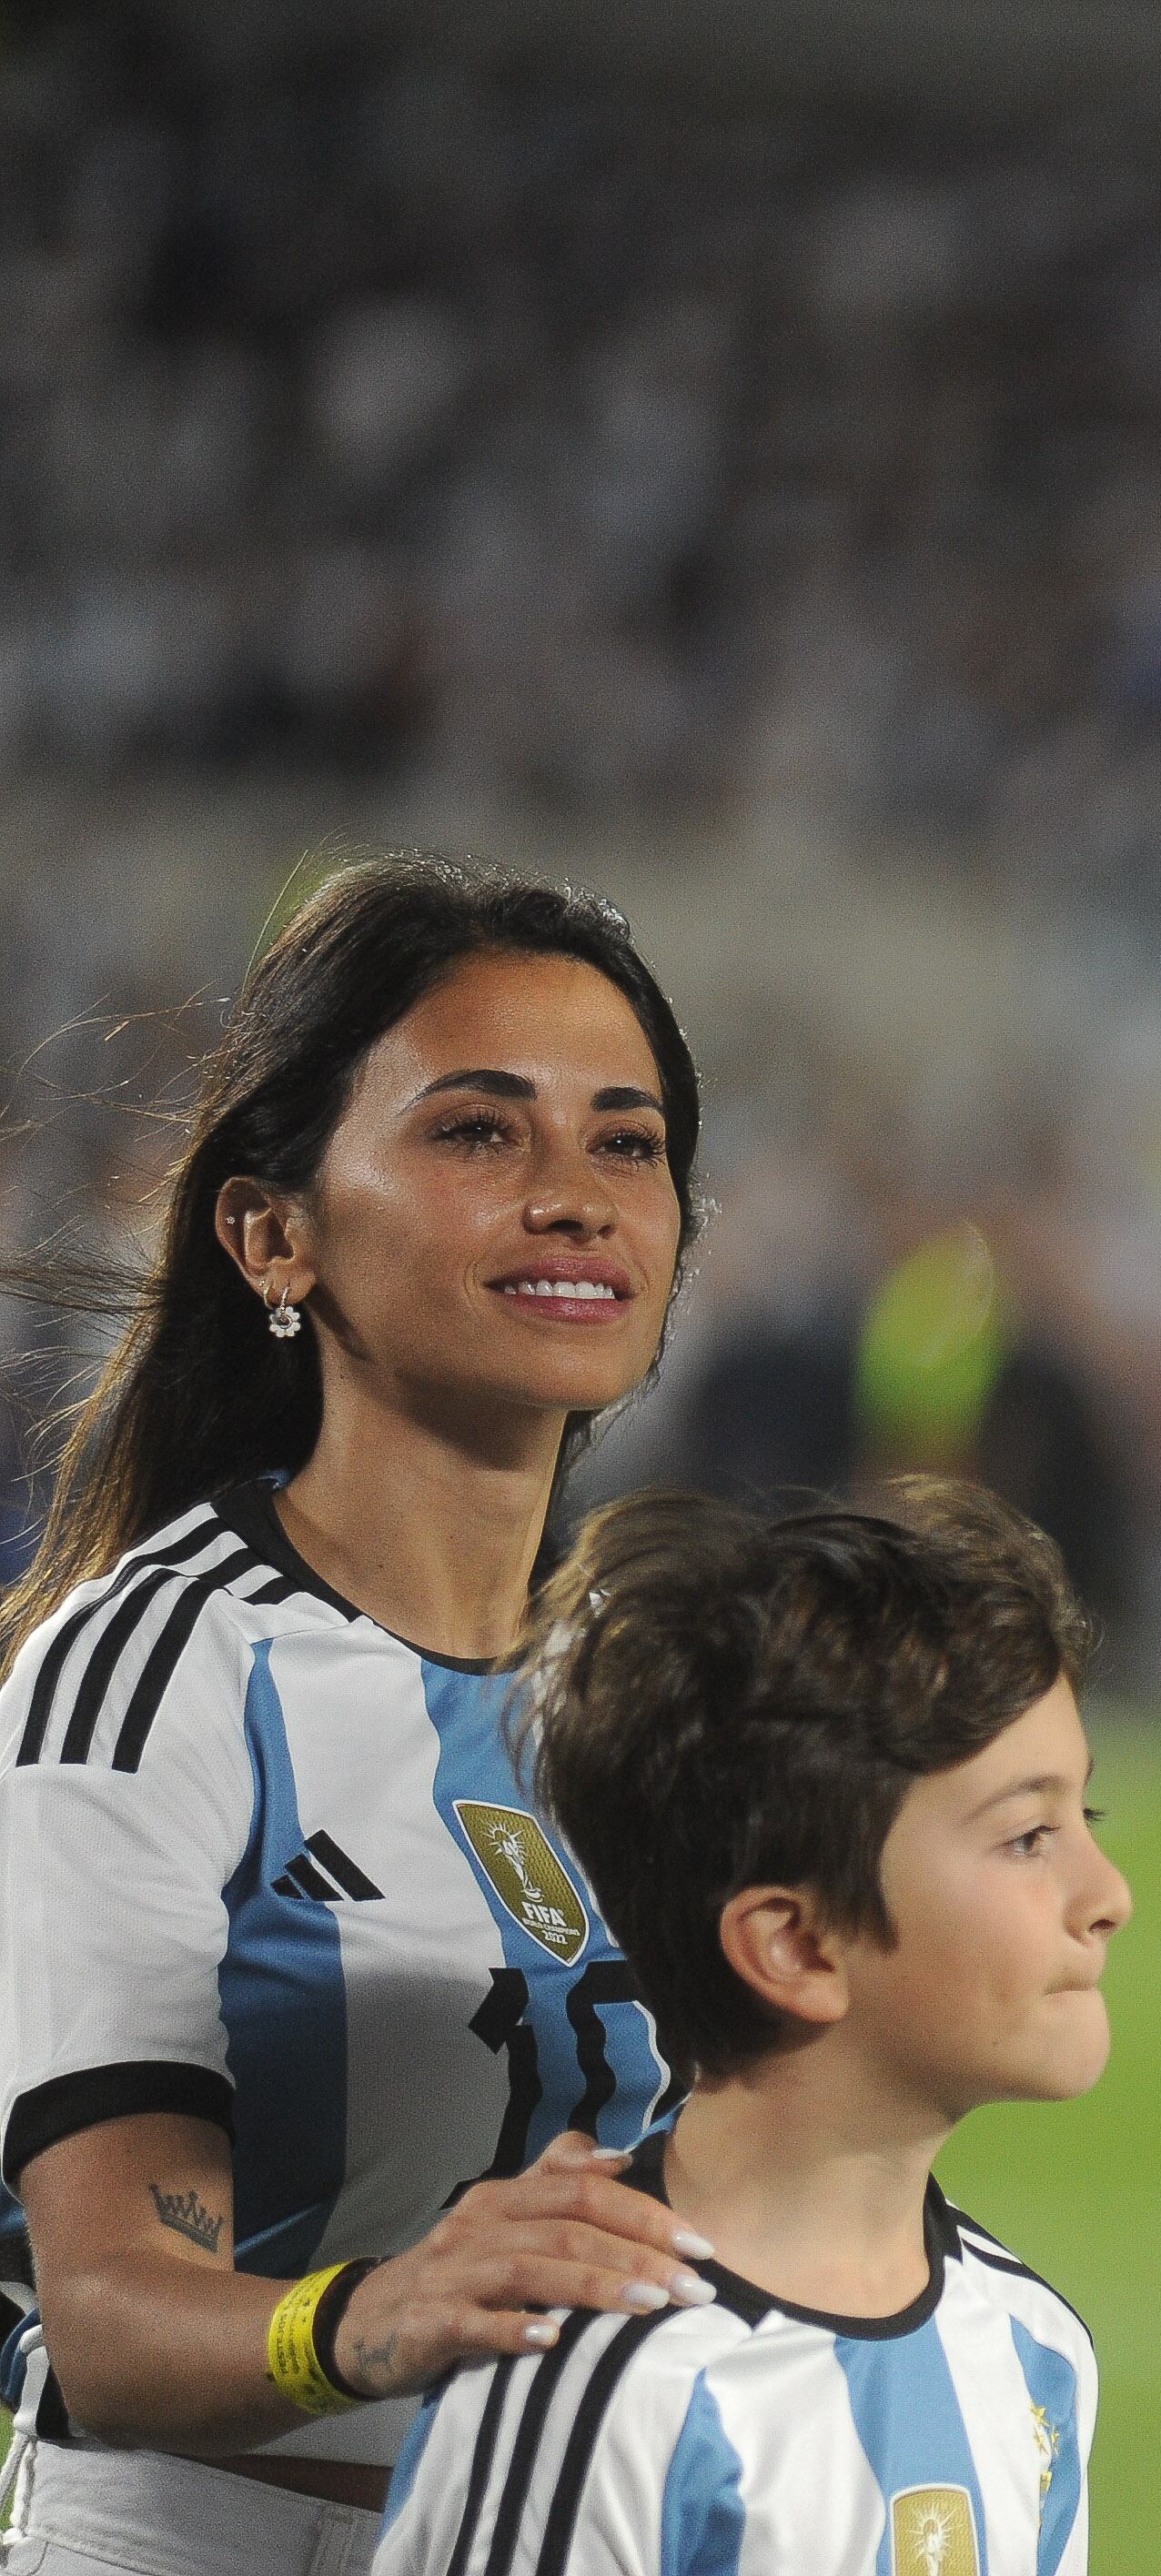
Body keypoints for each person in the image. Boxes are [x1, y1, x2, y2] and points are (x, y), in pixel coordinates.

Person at [0, 857, 719, 2571]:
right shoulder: (150, 1674)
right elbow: (111, 2312)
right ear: (273, 1233)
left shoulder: (657, 1698)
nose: (576, 1196)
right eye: (479, 1131)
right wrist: (377, 2316)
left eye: (627, 1141)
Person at [375, 1482, 1122, 2575]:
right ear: (797, 1947)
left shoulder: (1029, 2349)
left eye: (1083, 1817)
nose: (1107, 1893)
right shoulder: (597, 2380)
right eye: (1027, 1836)